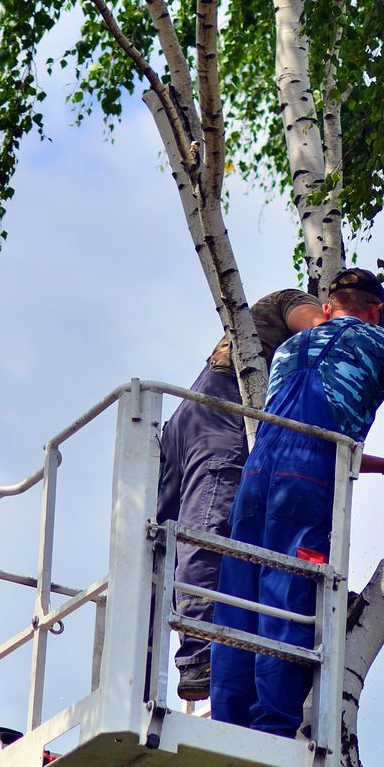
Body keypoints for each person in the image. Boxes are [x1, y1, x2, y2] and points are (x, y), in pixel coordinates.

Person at [208, 267, 384, 736]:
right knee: (290, 589)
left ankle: (227, 727)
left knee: (241, 591)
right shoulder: (382, 343)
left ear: (328, 307)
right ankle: (272, 729)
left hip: (259, 473)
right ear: (376, 311)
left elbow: (315, 434)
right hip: (308, 478)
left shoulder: (292, 347)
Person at [156, 289, 322, 700]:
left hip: (191, 416)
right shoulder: (297, 302)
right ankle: (198, 657)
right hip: (223, 414)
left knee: (159, 546)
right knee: (205, 531)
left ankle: (138, 665)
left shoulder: (260, 326)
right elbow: (322, 333)